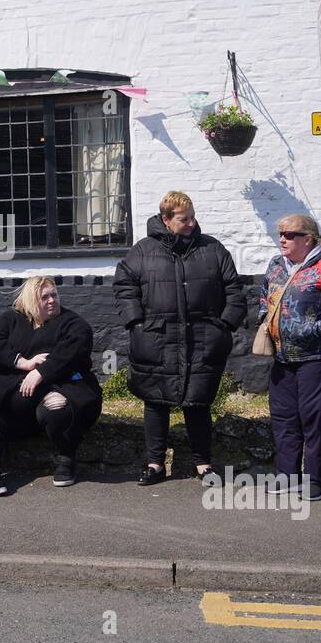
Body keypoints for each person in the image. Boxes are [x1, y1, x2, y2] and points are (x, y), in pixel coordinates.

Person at [114, 191, 246, 488]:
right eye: (183, 219)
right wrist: (136, 323)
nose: (191, 224)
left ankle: (204, 465)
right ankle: (154, 464)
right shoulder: (143, 251)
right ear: (166, 219)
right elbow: (124, 285)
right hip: (156, 338)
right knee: (155, 401)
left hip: (202, 337)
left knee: (197, 402)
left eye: (192, 217)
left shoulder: (212, 249)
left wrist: (224, 325)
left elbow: (234, 290)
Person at [0, 276, 102, 496]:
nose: (51, 301)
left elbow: (72, 352)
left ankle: (65, 458)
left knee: (56, 406)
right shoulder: (10, 320)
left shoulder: (74, 324)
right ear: (30, 301)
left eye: (54, 295)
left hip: (60, 390)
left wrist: (41, 372)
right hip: (14, 399)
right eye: (44, 297)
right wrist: (23, 362)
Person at [258, 214, 321, 500]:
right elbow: (264, 295)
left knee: (314, 419)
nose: (283, 239)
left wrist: (317, 328)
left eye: (290, 235)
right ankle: (287, 476)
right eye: (281, 234)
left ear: (308, 239)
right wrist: (265, 318)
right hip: (282, 356)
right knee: (283, 417)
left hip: (317, 356)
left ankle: (317, 481)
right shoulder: (276, 265)